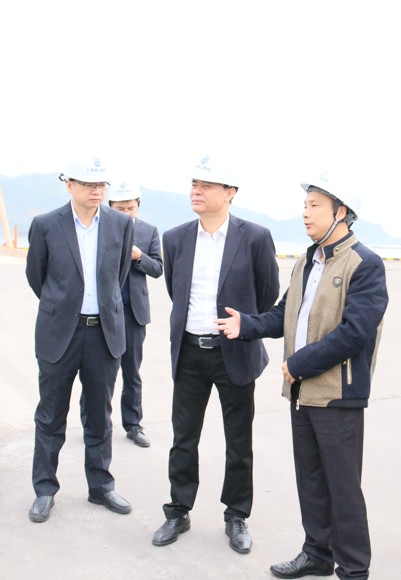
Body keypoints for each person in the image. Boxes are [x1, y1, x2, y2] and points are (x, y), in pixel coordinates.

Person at [216, 172, 389, 580]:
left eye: (315, 206)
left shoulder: (365, 264)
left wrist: (299, 364)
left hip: (338, 394)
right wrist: (248, 325)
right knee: (310, 479)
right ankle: (316, 554)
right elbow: (285, 313)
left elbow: (355, 332)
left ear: (341, 212)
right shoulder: (307, 261)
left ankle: (354, 568)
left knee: (342, 487)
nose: (305, 213)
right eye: (305, 205)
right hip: (301, 393)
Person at [151, 155, 279, 554]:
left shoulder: (255, 237)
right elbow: (176, 291)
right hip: (190, 351)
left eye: (206, 185)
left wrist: (241, 325)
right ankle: (178, 511)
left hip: (234, 352)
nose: (197, 191)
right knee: (183, 438)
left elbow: (267, 294)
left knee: (238, 441)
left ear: (230, 193)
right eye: (194, 184)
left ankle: (236, 515)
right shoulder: (175, 238)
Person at [25, 158, 134, 523]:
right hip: (59, 333)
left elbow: (118, 275)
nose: (96, 190)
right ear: (69, 185)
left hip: (103, 333)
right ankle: (44, 489)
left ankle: (100, 486)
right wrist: (63, 306)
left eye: (101, 184)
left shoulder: (121, 224)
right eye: (88, 184)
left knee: (100, 414)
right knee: (51, 415)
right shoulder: (46, 225)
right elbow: (37, 277)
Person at [104, 182, 163, 447]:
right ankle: (96, 423)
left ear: (138, 206)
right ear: (110, 208)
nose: (126, 213)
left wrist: (139, 256)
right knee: (100, 372)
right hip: (104, 311)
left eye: (131, 208)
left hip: (134, 313)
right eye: (120, 209)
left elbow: (158, 268)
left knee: (132, 372)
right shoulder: (100, 228)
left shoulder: (149, 231)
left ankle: (133, 424)